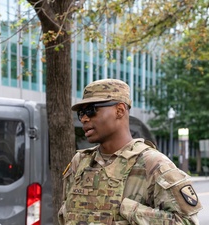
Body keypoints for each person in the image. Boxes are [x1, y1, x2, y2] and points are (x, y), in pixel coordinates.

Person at [58, 79, 202, 225]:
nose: (83, 118)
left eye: (91, 110)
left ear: (119, 110)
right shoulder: (80, 162)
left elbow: (186, 221)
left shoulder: (153, 164)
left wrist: (130, 212)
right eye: (81, 113)